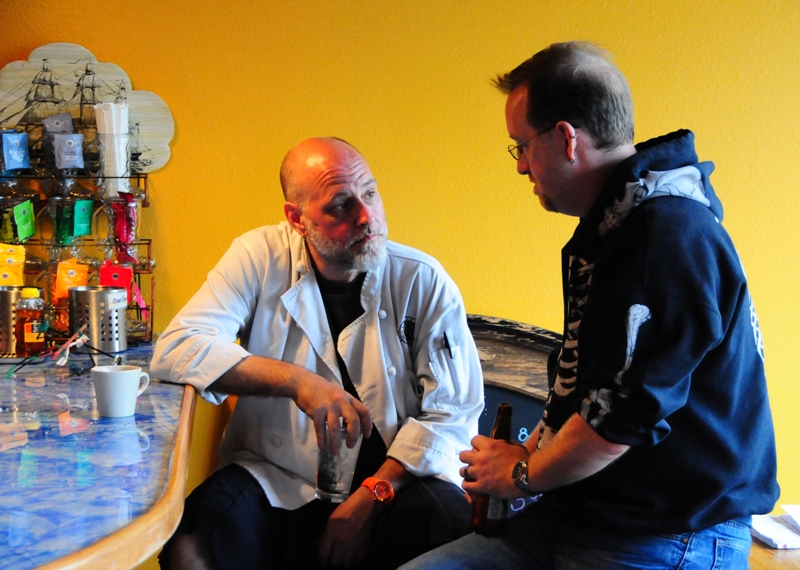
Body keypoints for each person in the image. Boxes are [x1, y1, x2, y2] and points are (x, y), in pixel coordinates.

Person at [401, 41, 779, 570]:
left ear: (565, 139)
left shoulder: (664, 237)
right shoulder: (618, 226)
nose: (520, 167)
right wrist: (525, 457)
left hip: (667, 535)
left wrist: (519, 476)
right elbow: (589, 384)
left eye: (521, 146)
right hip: (581, 514)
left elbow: (618, 419)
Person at [151, 137, 484, 570]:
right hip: (280, 473)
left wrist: (371, 497)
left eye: (370, 193)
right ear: (297, 218)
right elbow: (177, 348)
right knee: (193, 538)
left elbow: (453, 414)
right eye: (340, 205)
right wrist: (298, 383)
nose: (367, 217)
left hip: (396, 482)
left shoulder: (422, 280)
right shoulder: (259, 256)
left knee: (450, 530)